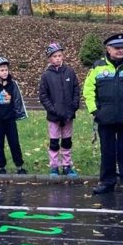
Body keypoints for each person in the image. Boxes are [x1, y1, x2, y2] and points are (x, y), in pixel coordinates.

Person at [83, 33, 123, 197]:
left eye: (122, 47)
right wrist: (95, 111)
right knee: (107, 151)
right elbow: (88, 90)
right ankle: (107, 182)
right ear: (108, 49)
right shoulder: (97, 67)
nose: (120, 50)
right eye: (116, 48)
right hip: (105, 118)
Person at [38, 42, 81, 176]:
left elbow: (76, 90)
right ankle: (54, 166)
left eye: (59, 55)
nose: (57, 58)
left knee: (67, 141)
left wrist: (74, 106)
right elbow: (43, 95)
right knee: (54, 142)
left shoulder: (70, 72)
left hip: (68, 114)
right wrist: (52, 109)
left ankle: (67, 165)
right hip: (54, 115)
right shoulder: (46, 75)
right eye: (54, 56)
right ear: (50, 58)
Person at [0, 56, 27, 174]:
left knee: (14, 143)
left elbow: (17, 98)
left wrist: (17, 112)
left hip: (10, 119)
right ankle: (1, 166)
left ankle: (19, 166)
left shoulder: (13, 84)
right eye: (2, 70)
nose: (5, 72)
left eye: (6, 69)